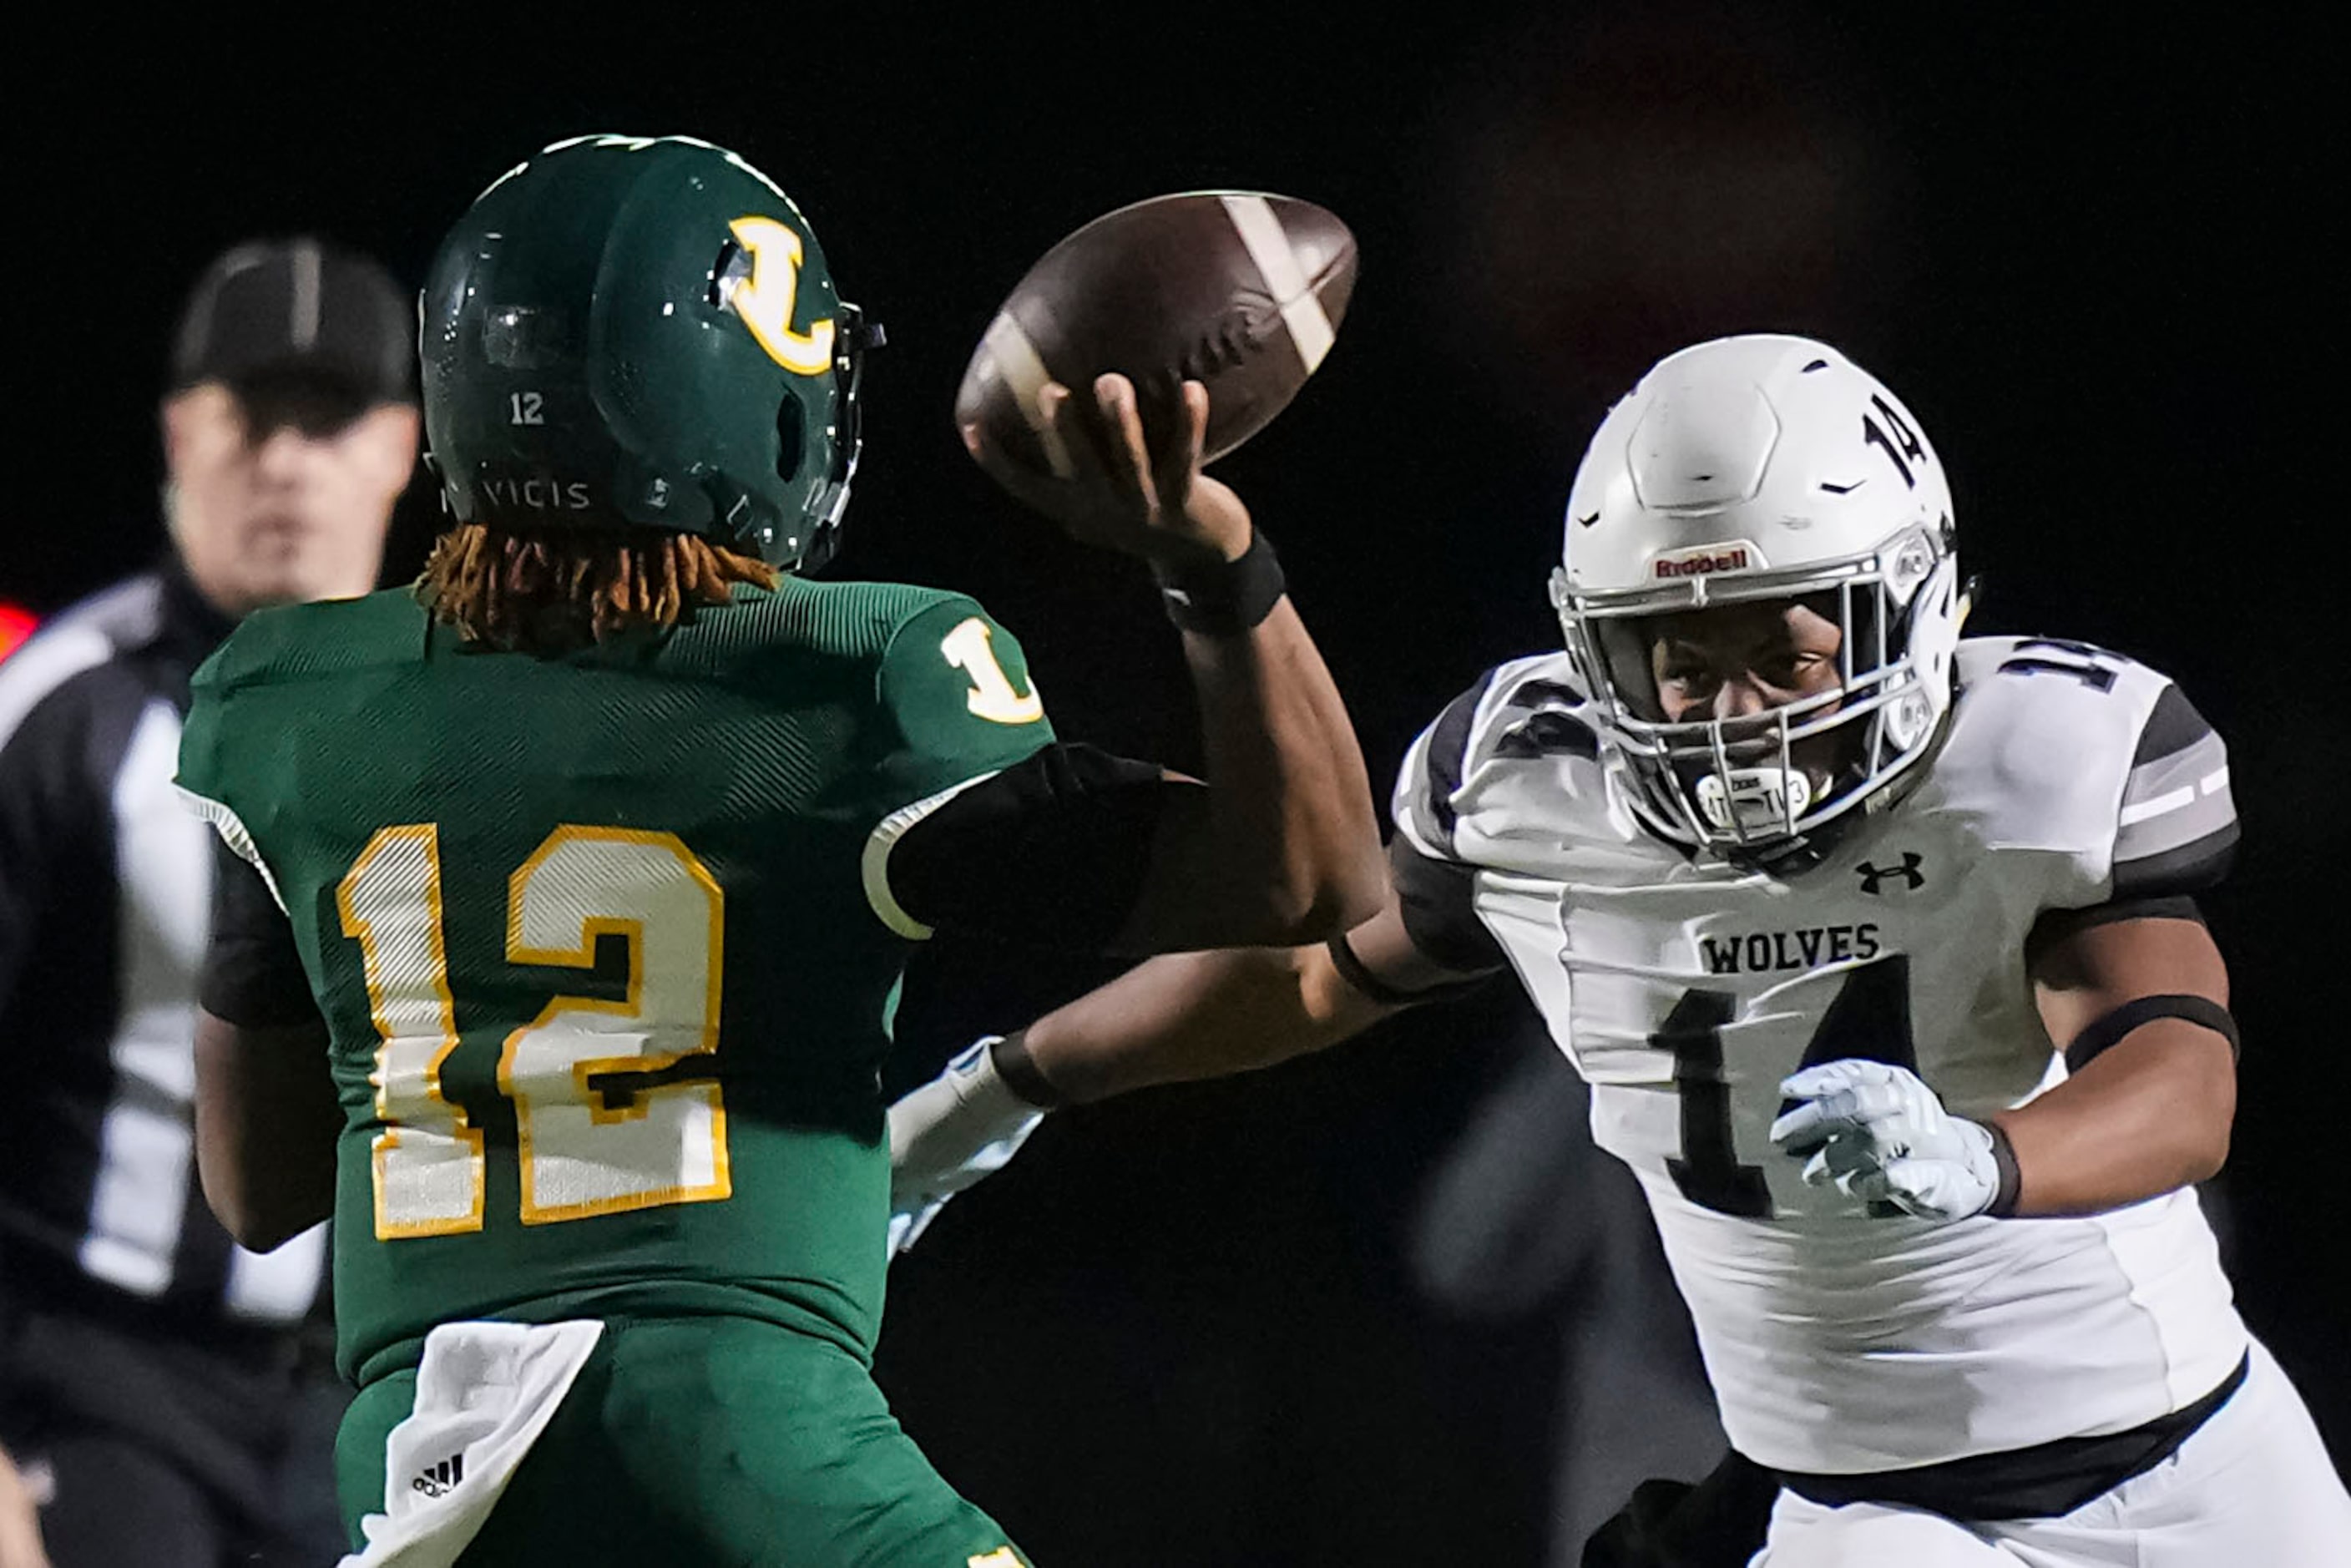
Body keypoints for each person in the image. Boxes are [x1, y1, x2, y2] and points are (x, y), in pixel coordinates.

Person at [887, 333, 2351, 1565]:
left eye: (1787, 651)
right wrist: (1004, 1084)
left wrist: (1989, 1155)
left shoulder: (2037, 756)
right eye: (1682, 657)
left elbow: (2177, 1074)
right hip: (1859, 1514)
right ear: (1599, 649)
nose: (1734, 719)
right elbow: (1315, 976)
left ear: (1909, 609)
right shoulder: (1541, 789)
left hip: (2204, 1482)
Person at [173, 133, 1383, 1567]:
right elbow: (1314, 877)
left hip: (421, 1481)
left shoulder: (286, 700)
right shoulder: (848, 683)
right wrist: (1208, 549)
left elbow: (255, 1190)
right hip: (746, 1451)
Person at [0, 237, 417, 1568]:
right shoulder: (59, 717)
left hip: (372, 1398)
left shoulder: (467, 726)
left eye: (331, 418)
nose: (287, 463)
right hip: (97, 1381)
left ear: (403, 444)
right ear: (182, 431)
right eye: (252, 416)